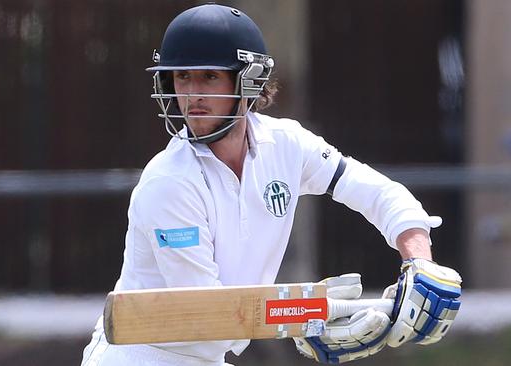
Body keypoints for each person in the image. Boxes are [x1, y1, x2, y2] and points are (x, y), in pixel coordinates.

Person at [81, 3, 462, 366]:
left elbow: (374, 191)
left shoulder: (287, 145)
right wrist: (308, 315)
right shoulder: (169, 183)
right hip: (138, 357)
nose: (192, 94)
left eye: (209, 76)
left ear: (249, 81)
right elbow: (208, 318)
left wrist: (419, 261)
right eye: (183, 76)